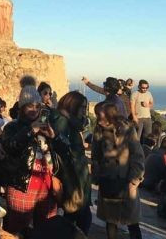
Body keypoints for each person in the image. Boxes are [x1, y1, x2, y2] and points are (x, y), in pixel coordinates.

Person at [0, 85, 60, 235]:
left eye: (37, 106)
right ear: (21, 107)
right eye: (30, 106)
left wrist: (53, 137)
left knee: (47, 230)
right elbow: (10, 147)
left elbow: (60, 153)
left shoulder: (44, 128)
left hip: (45, 187)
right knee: (17, 230)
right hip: (21, 185)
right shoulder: (12, 127)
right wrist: (30, 130)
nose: (34, 109)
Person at [91, 102, 145, 239]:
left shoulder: (127, 130)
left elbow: (137, 154)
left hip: (126, 180)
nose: (98, 118)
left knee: (132, 222)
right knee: (110, 221)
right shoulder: (98, 130)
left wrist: (134, 179)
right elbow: (95, 155)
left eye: (100, 115)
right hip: (107, 180)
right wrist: (97, 175)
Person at [50, 91, 93, 235]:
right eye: (81, 107)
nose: (83, 111)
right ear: (73, 106)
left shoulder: (71, 121)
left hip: (78, 175)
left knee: (81, 218)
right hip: (71, 176)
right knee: (79, 219)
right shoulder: (62, 120)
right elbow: (62, 147)